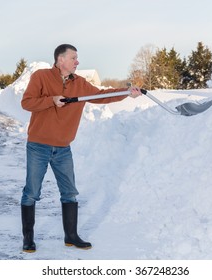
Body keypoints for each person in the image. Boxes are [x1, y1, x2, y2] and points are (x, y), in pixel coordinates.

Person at [20, 43, 142, 252]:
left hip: (63, 148)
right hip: (38, 146)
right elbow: (27, 102)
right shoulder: (41, 77)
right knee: (31, 193)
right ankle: (28, 238)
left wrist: (126, 92)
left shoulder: (80, 83)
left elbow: (100, 95)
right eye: (73, 58)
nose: (77, 62)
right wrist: (51, 100)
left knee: (69, 193)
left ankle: (71, 236)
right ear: (60, 60)